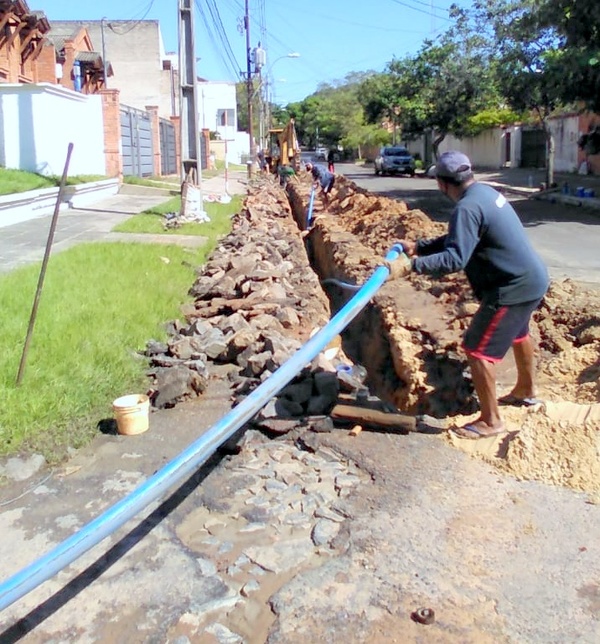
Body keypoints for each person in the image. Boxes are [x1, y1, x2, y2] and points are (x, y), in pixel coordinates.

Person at [392, 150, 549, 440]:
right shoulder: (484, 194)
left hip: (511, 288)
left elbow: (455, 258)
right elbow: (459, 237)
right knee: (519, 334)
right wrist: (420, 246)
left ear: (442, 183)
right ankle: (526, 390)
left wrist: (411, 266)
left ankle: (491, 421)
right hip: (533, 279)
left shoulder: (466, 208)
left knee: (477, 349)